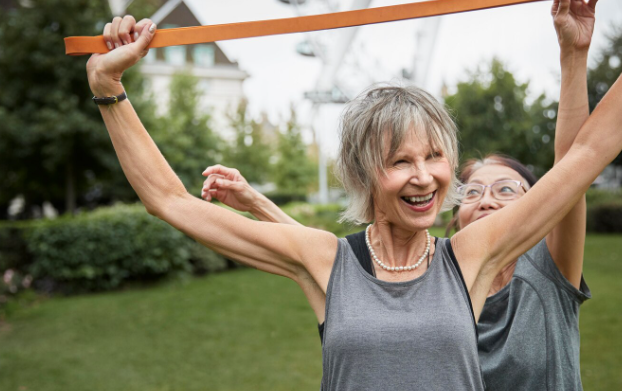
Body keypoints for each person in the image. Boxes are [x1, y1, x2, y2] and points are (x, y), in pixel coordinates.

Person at [87, 0, 619, 388]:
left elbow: (586, 154)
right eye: (400, 162)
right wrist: (109, 88)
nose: (425, 177)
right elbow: (171, 201)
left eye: (435, 157)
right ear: (364, 175)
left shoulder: (469, 257)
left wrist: (575, 54)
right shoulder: (325, 259)